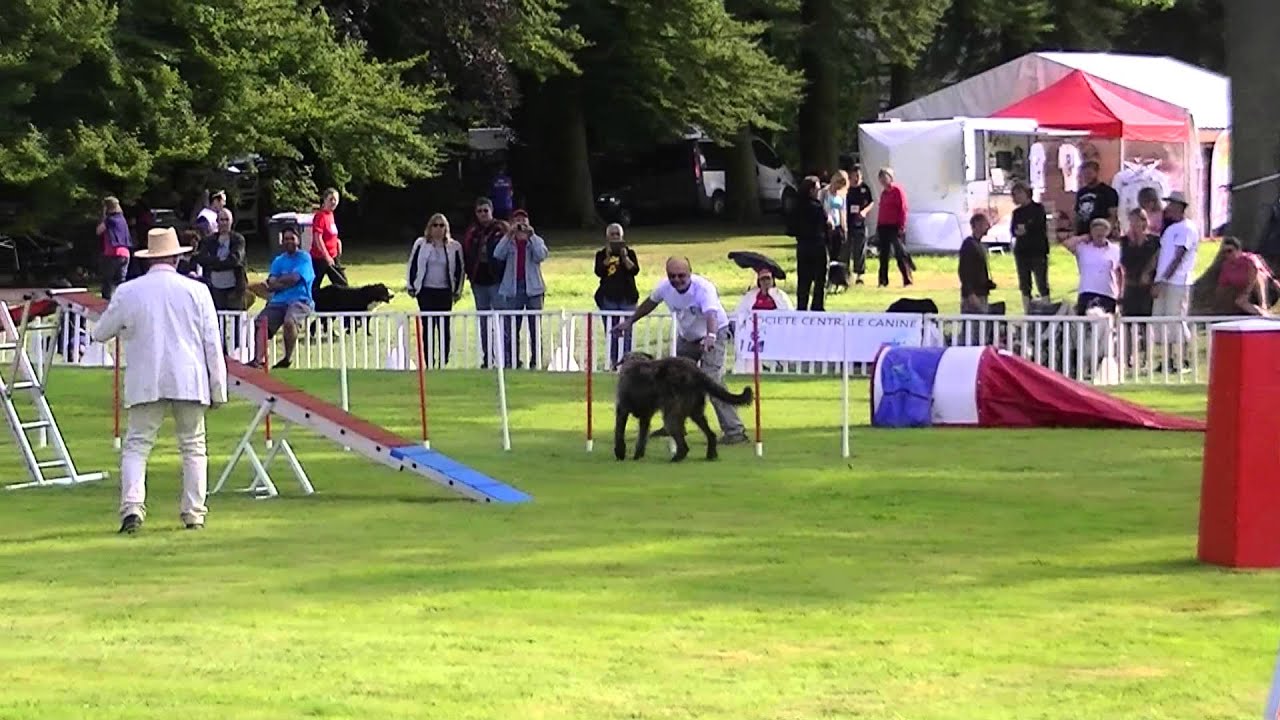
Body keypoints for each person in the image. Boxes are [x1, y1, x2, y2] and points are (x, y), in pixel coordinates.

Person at [89, 227, 228, 534]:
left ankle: (132, 508)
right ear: (176, 258)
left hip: (146, 377)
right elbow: (211, 344)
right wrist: (218, 389)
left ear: (150, 258)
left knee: (137, 445)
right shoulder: (197, 290)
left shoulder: (129, 291)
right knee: (193, 446)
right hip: (189, 378)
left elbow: (100, 333)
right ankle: (193, 513)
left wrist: (124, 327)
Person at [611, 257, 749, 446]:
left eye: (681, 276)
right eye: (672, 276)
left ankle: (734, 431)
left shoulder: (703, 289)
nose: (676, 279)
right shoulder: (664, 288)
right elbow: (649, 303)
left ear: (690, 273)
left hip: (714, 333)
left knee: (711, 379)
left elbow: (711, 314)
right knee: (669, 380)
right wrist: (629, 322)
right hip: (687, 337)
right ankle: (673, 425)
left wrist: (710, 336)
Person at [249, 224, 316, 369]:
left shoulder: (304, 258)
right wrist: (281, 282)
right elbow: (271, 282)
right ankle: (258, 360)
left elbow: (295, 278)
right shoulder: (278, 260)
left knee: (289, 321)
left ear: (298, 240)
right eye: (285, 239)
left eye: (292, 238)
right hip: (278, 301)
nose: (288, 241)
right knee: (261, 322)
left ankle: (287, 358)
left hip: (300, 300)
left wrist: (279, 282)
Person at [406, 213, 466, 368]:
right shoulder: (421, 243)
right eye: (435, 225)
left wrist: (458, 290)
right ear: (429, 227)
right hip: (425, 291)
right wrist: (411, 285)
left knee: (444, 326)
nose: (438, 229)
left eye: (441, 225)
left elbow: (460, 270)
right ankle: (429, 361)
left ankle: (443, 361)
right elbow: (412, 265)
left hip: (445, 291)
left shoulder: (454, 246)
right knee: (428, 327)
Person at [493, 209, 548, 369]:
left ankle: (535, 361)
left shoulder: (535, 241)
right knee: (511, 328)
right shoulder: (508, 241)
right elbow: (497, 254)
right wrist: (508, 235)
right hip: (513, 288)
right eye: (517, 221)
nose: (521, 224)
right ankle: (512, 361)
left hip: (534, 289)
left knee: (535, 328)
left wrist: (532, 237)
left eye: (524, 220)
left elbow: (541, 255)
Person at [460, 197, 507, 367]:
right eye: (479, 211)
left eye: (485, 210)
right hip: (478, 281)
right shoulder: (472, 232)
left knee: (501, 320)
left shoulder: (501, 229)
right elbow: (466, 254)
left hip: (497, 281)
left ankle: (504, 357)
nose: (482, 214)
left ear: (491, 211)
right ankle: (488, 357)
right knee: (484, 321)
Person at [593, 223, 640, 369]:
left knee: (627, 333)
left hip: (627, 297)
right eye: (612, 234)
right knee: (612, 332)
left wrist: (625, 257)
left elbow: (634, 270)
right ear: (607, 237)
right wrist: (607, 257)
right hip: (608, 297)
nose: (615, 237)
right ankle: (613, 362)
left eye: (617, 235)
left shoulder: (630, 253)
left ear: (622, 236)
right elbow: (599, 271)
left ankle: (627, 363)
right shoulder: (601, 254)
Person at [1060, 218, 1124, 315]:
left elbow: (1120, 272)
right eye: (1096, 231)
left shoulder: (1115, 249)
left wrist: (1120, 293)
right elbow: (1066, 244)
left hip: (1107, 292)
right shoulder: (1083, 248)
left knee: (1106, 325)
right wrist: (1082, 238)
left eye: (1102, 231)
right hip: (1087, 291)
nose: (1099, 234)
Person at [195, 207, 248, 311]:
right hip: (214, 286)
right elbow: (201, 259)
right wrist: (222, 260)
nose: (224, 223)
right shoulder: (208, 240)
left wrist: (214, 262)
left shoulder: (238, 239)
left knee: (236, 319)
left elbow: (235, 260)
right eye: (221, 220)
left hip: (235, 286)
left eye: (226, 219)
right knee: (216, 316)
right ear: (217, 222)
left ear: (232, 222)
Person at [789, 175, 828, 311]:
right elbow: (824, 224)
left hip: (803, 246)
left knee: (803, 280)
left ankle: (802, 307)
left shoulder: (796, 206)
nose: (818, 191)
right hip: (817, 245)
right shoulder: (816, 207)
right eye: (817, 189)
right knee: (819, 279)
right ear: (811, 190)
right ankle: (817, 306)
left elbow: (791, 228)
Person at [1010, 181, 1050, 311]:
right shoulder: (1017, 213)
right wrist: (1019, 230)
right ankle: (1027, 308)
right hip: (1022, 251)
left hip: (1037, 251)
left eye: (1017, 194)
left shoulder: (1038, 209)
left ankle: (1046, 306)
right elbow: (1013, 230)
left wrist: (1026, 227)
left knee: (1041, 281)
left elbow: (1038, 226)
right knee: (1024, 283)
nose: (1015, 198)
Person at [874, 167, 913, 287]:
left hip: (895, 226)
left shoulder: (897, 191)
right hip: (883, 226)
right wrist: (878, 225)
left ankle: (907, 279)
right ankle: (883, 280)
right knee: (883, 255)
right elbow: (881, 211)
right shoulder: (883, 194)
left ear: (890, 178)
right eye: (881, 178)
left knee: (899, 253)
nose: (883, 180)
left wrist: (902, 225)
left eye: (885, 177)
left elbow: (903, 209)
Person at [1215, 237, 1272, 316]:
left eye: (1230, 251)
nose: (1227, 254)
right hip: (1244, 292)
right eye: (1224, 252)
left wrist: (1246, 293)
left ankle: (1264, 305)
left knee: (1259, 275)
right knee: (1239, 301)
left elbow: (1255, 272)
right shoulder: (1226, 266)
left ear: (1238, 250)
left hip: (1268, 290)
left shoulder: (1249, 258)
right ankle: (1262, 314)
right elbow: (1222, 285)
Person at [1119, 207, 1160, 318]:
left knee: (1146, 319)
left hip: (1146, 285)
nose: (1135, 224)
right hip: (1130, 284)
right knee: (1128, 318)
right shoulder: (1124, 242)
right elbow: (1122, 262)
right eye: (1132, 220)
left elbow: (1156, 259)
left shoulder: (1154, 241)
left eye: (1138, 220)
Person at [309, 188, 347, 294]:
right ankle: (308, 305)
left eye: (335, 200)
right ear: (324, 200)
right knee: (313, 286)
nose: (333, 202)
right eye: (331, 199)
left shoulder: (331, 215)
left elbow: (330, 234)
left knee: (342, 284)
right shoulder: (320, 216)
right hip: (320, 258)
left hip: (333, 256)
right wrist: (326, 256)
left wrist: (337, 242)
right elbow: (318, 238)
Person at [957, 213, 995, 314]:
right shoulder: (969, 245)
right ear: (978, 225)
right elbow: (964, 271)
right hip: (974, 295)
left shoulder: (979, 245)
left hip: (981, 293)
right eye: (986, 224)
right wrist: (970, 293)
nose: (988, 227)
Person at [97, 196, 133, 300]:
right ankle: (122, 302)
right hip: (125, 253)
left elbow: (99, 231)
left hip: (112, 253)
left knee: (107, 282)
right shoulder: (122, 219)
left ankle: (105, 304)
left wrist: (103, 215)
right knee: (121, 282)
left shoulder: (109, 220)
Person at [844, 166, 874, 286]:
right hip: (846, 224)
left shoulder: (864, 188)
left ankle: (859, 275)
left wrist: (864, 211)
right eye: (854, 176)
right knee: (845, 250)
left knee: (860, 250)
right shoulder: (846, 188)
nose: (856, 179)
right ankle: (845, 274)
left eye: (858, 176)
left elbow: (871, 202)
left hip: (859, 224)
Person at [1074, 161, 1120, 236]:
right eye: (1084, 174)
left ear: (1097, 173)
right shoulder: (1081, 193)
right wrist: (1075, 232)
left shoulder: (1108, 192)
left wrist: (1105, 233)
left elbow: (1113, 216)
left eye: (1089, 173)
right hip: (1083, 234)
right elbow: (1077, 215)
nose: (1086, 177)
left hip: (1100, 234)